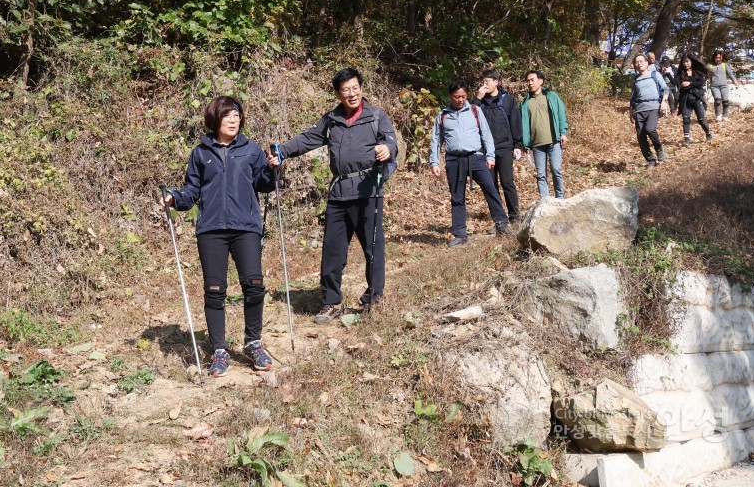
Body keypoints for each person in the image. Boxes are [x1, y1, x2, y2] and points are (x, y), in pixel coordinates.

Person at [267, 68, 397, 324]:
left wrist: (386, 149)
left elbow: (391, 144)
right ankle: (331, 301)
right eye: (346, 90)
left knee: (373, 248)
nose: (352, 93)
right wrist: (282, 152)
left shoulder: (376, 116)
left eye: (355, 87)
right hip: (339, 193)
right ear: (338, 93)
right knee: (332, 250)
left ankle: (375, 297)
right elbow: (308, 139)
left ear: (361, 87)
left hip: (368, 190)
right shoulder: (331, 119)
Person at [160, 96, 276, 377]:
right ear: (215, 119)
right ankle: (220, 351)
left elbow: (264, 184)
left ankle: (253, 343)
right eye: (228, 116)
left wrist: (273, 169)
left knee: (254, 284)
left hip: (246, 226)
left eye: (237, 115)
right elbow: (191, 191)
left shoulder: (251, 150)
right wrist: (174, 199)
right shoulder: (201, 153)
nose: (234, 120)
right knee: (214, 291)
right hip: (211, 229)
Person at [429, 81, 513, 247]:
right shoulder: (443, 115)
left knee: (490, 189)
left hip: (476, 157)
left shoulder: (475, 110)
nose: (460, 100)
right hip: (454, 160)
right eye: (457, 97)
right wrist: (434, 161)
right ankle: (460, 234)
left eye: (463, 96)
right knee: (457, 197)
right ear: (450, 96)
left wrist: (490, 156)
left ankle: (502, 224)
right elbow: (436, 140)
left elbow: (486, 134)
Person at [473, 69, 523, 223]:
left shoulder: (507, 100)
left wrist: (518, 144)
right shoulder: (480, 102)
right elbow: (469, 117)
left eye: (488, 81)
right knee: (491, 186)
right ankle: (499, 220)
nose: (485, 84)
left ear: (496, 82)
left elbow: (515, 122)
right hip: (487, 150)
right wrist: (477, 99)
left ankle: (514, 217)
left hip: (505, 147)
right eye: (483, 81)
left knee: (507, 182)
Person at [520, 70, 569, 198]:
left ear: (540, 81)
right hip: (537, 144)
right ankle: (545, 201)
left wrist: (563, 132)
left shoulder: (551, 96)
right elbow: (524, 124)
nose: (530, 83)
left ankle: (560, 198)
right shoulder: (525, 103)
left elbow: (561, 114)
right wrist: (525, 143)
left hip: (554, 141)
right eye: (528, 81)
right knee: (541, 174)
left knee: (556, 170)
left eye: (532, 80)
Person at [629, 54, 670, 168]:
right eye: (637, 62)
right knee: (641, 136)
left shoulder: (655, 75)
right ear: (634, 65)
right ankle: (650, 160)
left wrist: (663, 102)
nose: (639, 63)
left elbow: (665, 89)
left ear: (647, 63)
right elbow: (633, 97)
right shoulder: (635, 80)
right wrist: (631, 110)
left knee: (650, 129)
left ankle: (659, 149)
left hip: (653, 107)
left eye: (642, 61)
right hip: (639, 110)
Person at [674, 52, 712, 146]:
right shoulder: (681, 73)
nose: (685, 64)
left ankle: (708, 133)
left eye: (687, 61)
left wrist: (689, 84)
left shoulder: (697, 72)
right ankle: (686, 139)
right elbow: (676, 82)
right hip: (685, 98)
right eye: (683, 62)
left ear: (691, 61)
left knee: (701, 119)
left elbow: (701, 82)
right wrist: (667, 74)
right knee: (686, 118)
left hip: (696, 97)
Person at [708, 51, 741, 121]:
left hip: (724, 86)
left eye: (719, 58)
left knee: (725, 101)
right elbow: (707, 75)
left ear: (722, 58)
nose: (718, 59)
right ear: (714, 58)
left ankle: (725, 116)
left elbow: (730, 74)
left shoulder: (724, 65)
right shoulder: (710, 66)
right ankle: (718, 115)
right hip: (714, 86)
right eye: (716, 58)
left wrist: (735, 81)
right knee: (717, 100)